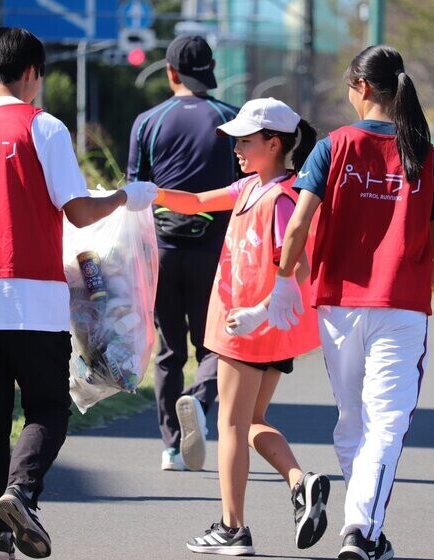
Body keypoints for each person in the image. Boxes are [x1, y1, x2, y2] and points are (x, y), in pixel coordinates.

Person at [0, 27, 157, 560]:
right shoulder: (42, 126)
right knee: (47, 407)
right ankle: (22, 492)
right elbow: (78, 211)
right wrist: (126, 197)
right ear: (32, 72)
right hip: (31, 291)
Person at [267, 45, 434, 560]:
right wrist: (419, 288)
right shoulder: (426, 154)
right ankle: (361, 530)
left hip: (337, 307)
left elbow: (298, 224)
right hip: (401, 307)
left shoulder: (333, 147)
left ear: (363, 88)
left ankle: (365, 527)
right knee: (386, 423)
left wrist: (285, 279)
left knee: (354, 422)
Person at [153, 98, 330, 556]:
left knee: (231, 426)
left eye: (245, 141)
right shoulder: (251, 187)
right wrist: (143, 194)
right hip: (260, 328)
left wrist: (262, 309)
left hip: (249, 328)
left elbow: (300, 264)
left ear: (274, 144)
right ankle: (301, 481)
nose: (236, 148)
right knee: (251, 421)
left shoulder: (282, 198)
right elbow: (193, 203)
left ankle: (234, 530)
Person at [127, 35, 241, 472]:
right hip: (217, 250)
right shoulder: (231, 120)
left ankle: (172, 448)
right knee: (215, 344)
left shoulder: (148, 122)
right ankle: (197, 399)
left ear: (171, 72)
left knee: (169, 349)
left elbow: (135, 192)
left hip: (161, 250)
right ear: (210, 72)